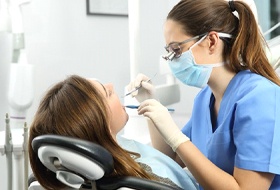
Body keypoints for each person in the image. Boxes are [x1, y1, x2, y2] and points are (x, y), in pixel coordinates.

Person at [127, 0, 280, 189]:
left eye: (176, 50)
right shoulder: (204, 99)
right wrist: (151, 105)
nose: (171, 60)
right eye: (169, 51)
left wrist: (176, 136)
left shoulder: (261, 97)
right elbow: (173, 158)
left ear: (212, 41)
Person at [28, 75, 198, 190]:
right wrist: (176, 138)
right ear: (102, 125)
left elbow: (163, 161)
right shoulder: (140, 180)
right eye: (107, 93)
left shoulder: (109, 154)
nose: (112, 86)